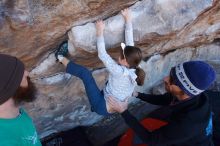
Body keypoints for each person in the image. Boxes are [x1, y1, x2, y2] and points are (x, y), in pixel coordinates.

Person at [55, 9, 145, 116]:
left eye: (120, 55)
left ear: (124, 61)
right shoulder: (135, 63)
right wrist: (128, 20)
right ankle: (95, 102)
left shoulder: (118, 71)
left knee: (85, 74)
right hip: (110, 99)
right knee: (108, 85)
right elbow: (130, 44)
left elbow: (102, 54)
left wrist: (99, 32)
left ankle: (59, 57)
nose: (118, 55)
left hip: (101, 105)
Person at [107, 60, 216, 146]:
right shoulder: (193, 96)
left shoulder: (187, 125)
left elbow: (151, 139)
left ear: (185, 91)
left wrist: (124, 112)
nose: (165, 78)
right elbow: (165, 99)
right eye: (171, 74)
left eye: (172, 80)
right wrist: (137, 94)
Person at [0, 54, 42, 146]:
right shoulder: (5, 142)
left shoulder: (15, 113)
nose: (27, 73)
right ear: (9, 89)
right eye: (20, 74)